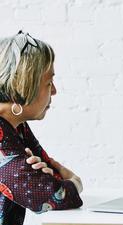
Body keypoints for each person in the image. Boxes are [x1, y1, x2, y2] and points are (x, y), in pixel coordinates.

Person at [0, 31, 83, 225]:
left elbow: (50, 174)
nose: (54, 91)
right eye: (48, 82)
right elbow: (56, 196)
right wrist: (75, 181)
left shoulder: (16, 127)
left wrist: (53, 180)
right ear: (23, 85)